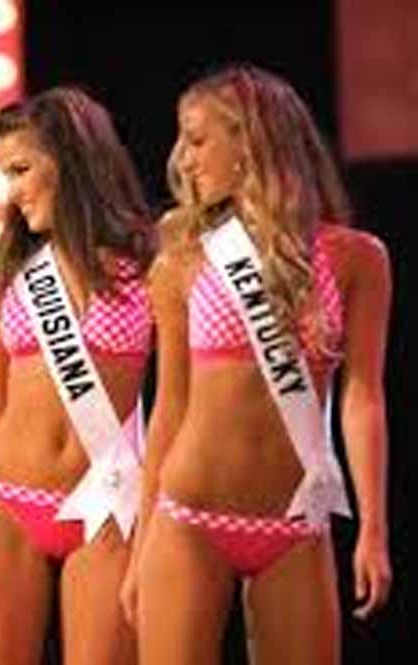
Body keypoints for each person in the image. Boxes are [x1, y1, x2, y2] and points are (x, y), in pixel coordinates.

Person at [123, 64, 393, 665]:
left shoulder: (358, 259)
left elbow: (363, 397)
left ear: (250, 140)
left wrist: (374, 528)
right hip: (188, 517)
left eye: (197, 140)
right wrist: (141, 546)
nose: (182, 161)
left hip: (294, 524)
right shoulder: (181, 260)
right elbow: (168, 407)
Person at [0, 87, 156, 664]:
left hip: (105, 504)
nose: (12, 190)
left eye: (22, 169)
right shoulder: (13, 270)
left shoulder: (152, 264)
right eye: (6, 174)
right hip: (6, 499)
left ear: (72, 161)